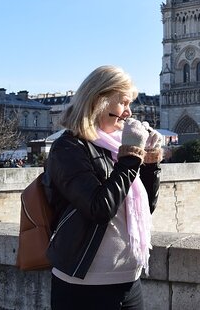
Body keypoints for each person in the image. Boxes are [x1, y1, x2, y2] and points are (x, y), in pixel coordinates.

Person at [44, 66, 164, 310]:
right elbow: (99, 207)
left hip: (129, 281)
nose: (129, 112)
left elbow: (146, 207)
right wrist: (130, 157)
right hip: (84, 286)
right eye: (123, 103)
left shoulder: (113, 148)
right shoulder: (68, 148)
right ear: (99, 100)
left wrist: (150, 161)